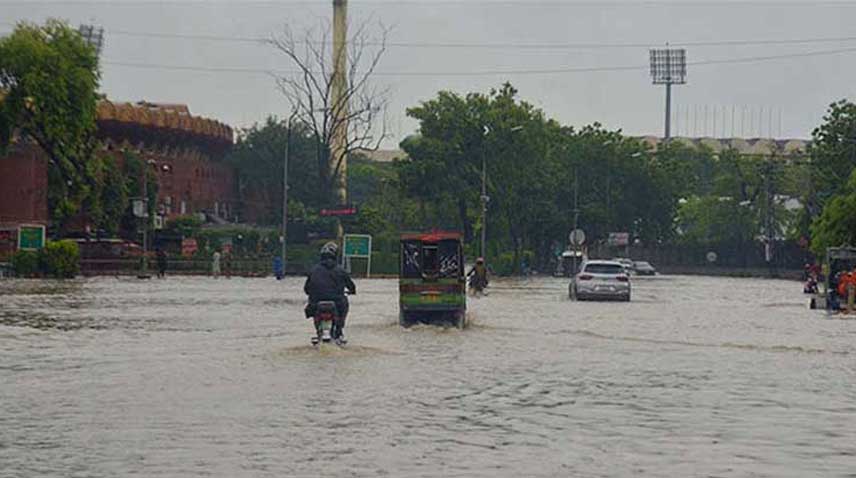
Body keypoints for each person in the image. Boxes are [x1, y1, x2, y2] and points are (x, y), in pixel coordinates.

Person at [304, 242, 356, 341]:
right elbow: (351, 286)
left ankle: (319, 331)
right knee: (344, 304)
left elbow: (306, 289)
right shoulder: (341, 270)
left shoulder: (314, 270)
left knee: (312, 308)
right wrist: (352, 291)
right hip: (337, 302)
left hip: (316, 302)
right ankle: (339, 330)